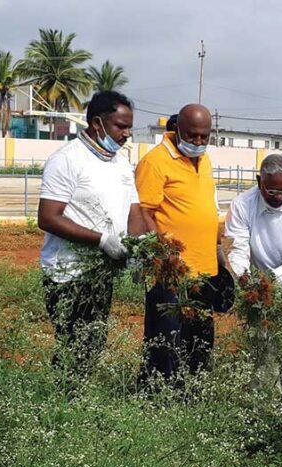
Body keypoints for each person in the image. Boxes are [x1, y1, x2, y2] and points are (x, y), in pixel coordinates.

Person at [37, 91, 145, 365]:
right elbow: (48, 217)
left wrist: (141, 245)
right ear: (98, 124)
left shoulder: (121, 163)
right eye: (121, 126)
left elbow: (134, 211)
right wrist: (101, 240)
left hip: (100, 272)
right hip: (68, 273)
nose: (127, 134)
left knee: (93, 344)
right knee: (74, 346)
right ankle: (64, 402)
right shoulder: (67, 159)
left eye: (129, 127)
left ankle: (75, 399)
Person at [135, 103, 226, 382]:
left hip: (204, 268)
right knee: (166, 337)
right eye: (192, 136)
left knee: (199, 337)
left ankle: (192, 388)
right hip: (170, 272)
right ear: (177, 130)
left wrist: (219, 256)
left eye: (204, 136)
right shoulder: (155, 161)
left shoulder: (205, 159)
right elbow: (143, 212)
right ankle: (159, 393)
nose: (198, 142)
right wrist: (165, 256)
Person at [225, 154, 282, 297]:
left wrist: (273, 279)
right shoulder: (242, 205)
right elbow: (238, 247)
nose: (278, 197)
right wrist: (244, 277)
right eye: (271, 191)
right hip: (263, 291)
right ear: (259, 181)